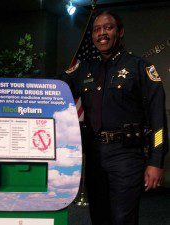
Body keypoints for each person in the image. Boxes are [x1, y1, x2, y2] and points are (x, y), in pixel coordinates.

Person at [61, 11, 168, 225]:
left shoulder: (140, 67)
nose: (102, 33)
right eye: (97, 29)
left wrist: (156, 161)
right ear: (92, 35)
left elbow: (158, 121)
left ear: (120, 32)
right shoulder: (83, 69)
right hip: (94, 155)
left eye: (108, 27)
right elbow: (54, 91)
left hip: (126, 155)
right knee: (99, 217)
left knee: (122, 219)